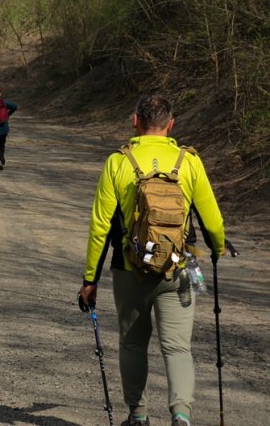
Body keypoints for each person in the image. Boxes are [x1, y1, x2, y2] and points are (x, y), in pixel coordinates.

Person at [77, 94, 226, 426]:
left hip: (130, 270)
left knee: (133, 344)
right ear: (170, 124)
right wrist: (216, 249)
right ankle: (182, 416)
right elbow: (213, 222)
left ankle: (139, 416)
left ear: (135, 121)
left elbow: (100, 227)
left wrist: (90, 280)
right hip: (179, 269)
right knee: (178, 348)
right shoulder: (188, 161)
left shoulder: (118, 162)